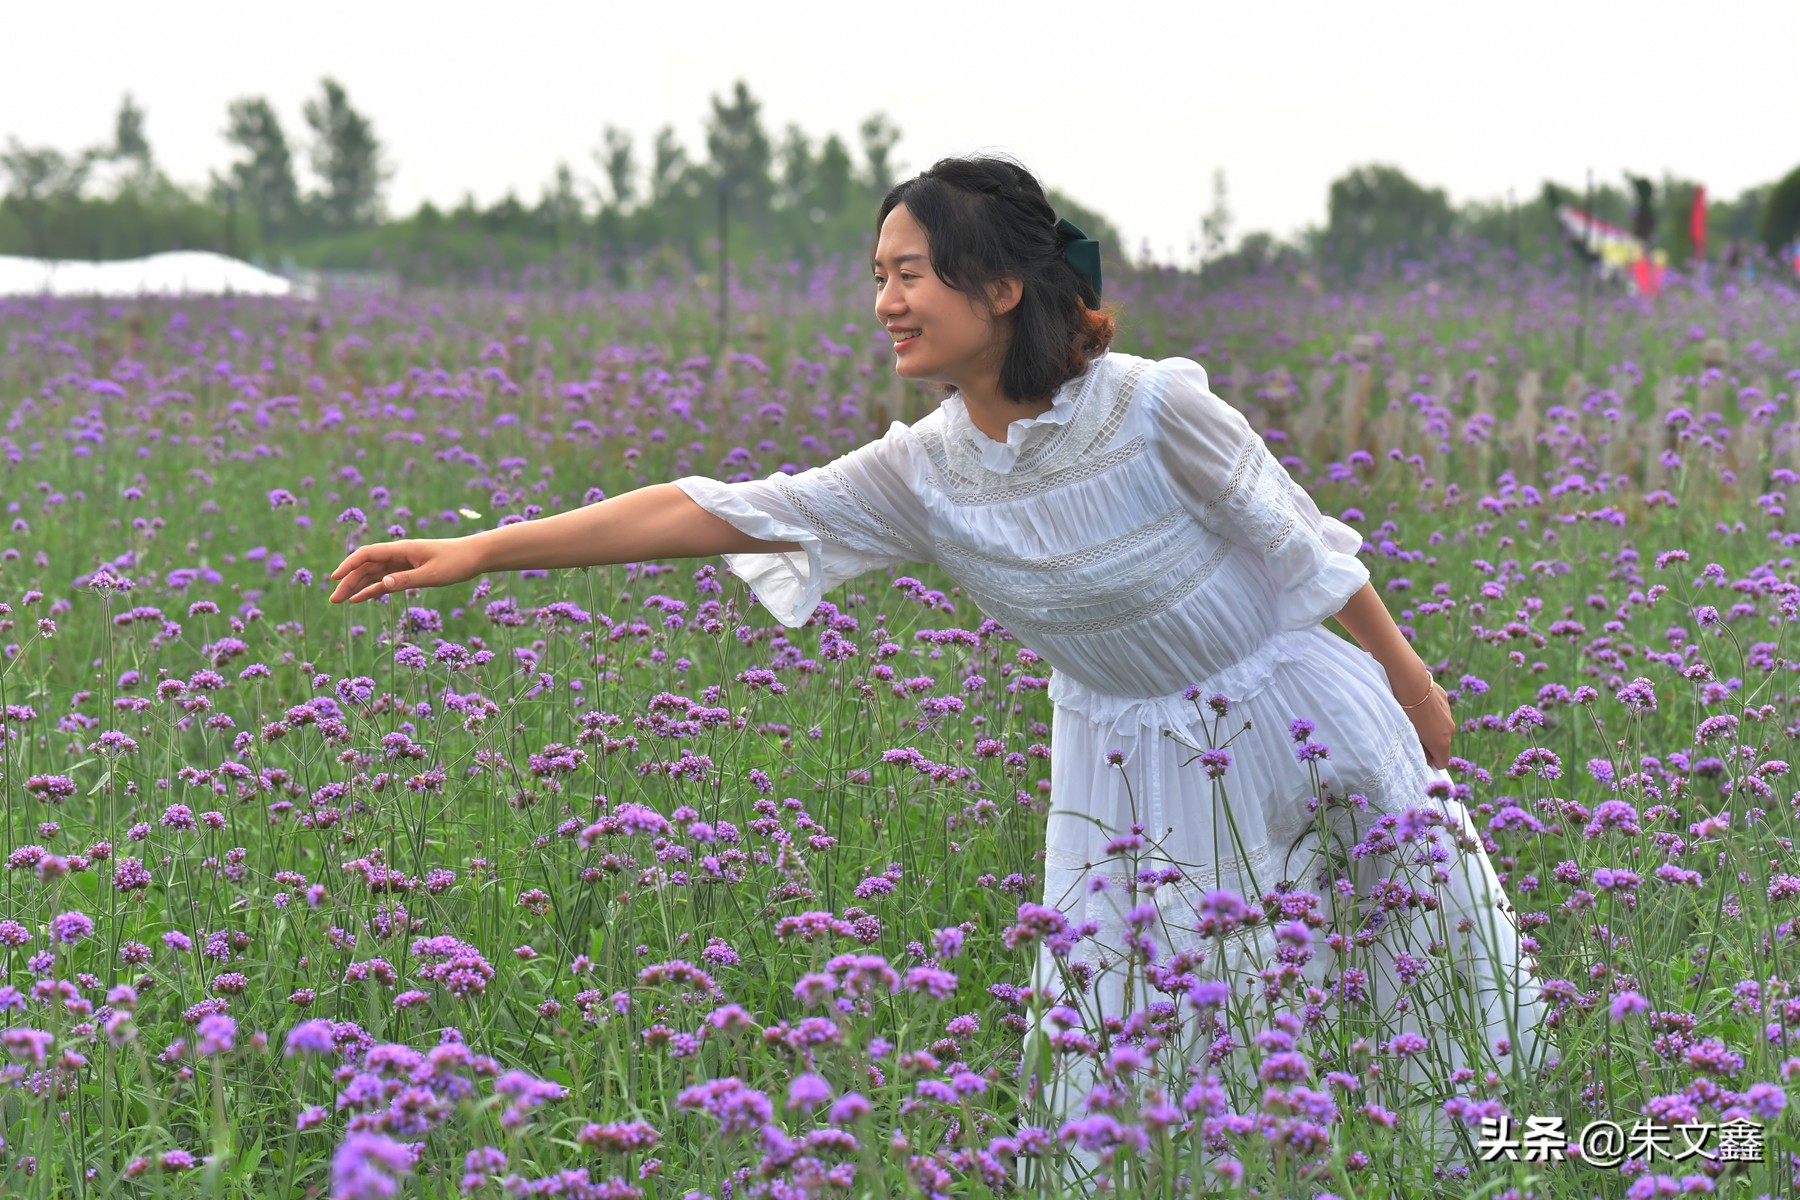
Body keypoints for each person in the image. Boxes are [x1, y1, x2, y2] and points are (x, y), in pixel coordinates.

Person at [328, 154, 1551, 1189]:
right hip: (1128, 774)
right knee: (1159, 1036)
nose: (886, 303)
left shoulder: (1149, 408)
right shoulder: (924, 472)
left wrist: (1409, 679)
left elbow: (1302, 542)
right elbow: (717, 508)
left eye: (910, 274)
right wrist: (484, 552)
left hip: (1295, 722)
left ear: (1003, 287)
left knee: (1411, 991)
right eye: (879, 277)